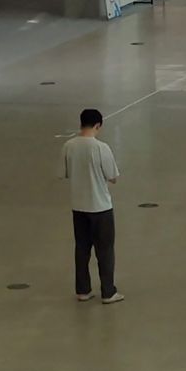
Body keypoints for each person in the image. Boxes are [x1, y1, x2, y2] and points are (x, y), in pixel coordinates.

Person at [63, 108, 124, 304]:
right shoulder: (101, 148)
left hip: (78, 206)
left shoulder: (69, 146)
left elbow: (65, 172)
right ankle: (108, 291)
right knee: (105, 250)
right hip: (100, 207)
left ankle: (83, 290)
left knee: (82, 249)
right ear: (98, 125)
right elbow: (113, 177)